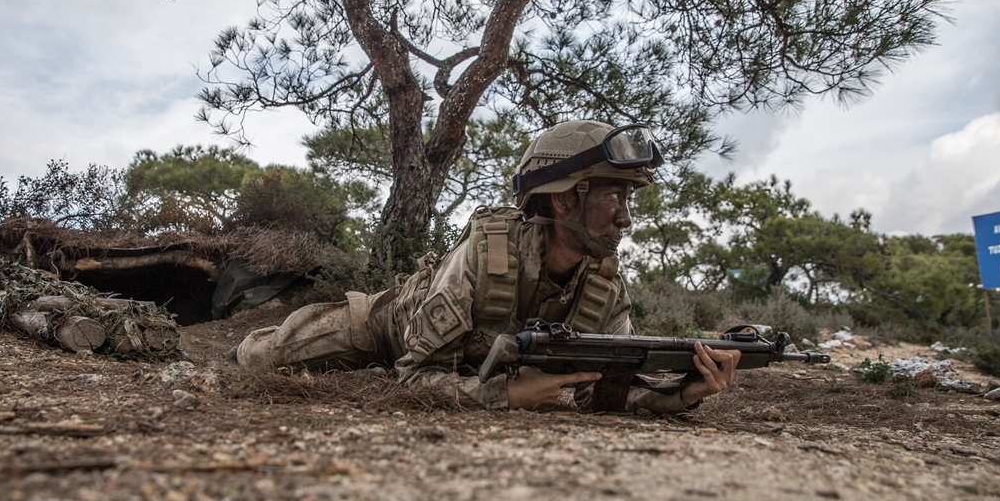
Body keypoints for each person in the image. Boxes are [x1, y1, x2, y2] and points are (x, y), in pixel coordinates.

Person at [234, 120, 738, 413]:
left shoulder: (604, 287)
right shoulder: (487, 255)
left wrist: (684, 393)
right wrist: (506, 394)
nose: (626, 217)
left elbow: (602, 390)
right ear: (563, 202)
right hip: (387, 330)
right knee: (261, 360)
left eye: (629, 198)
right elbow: (412, 377)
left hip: (463, 363)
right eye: (612, 196)